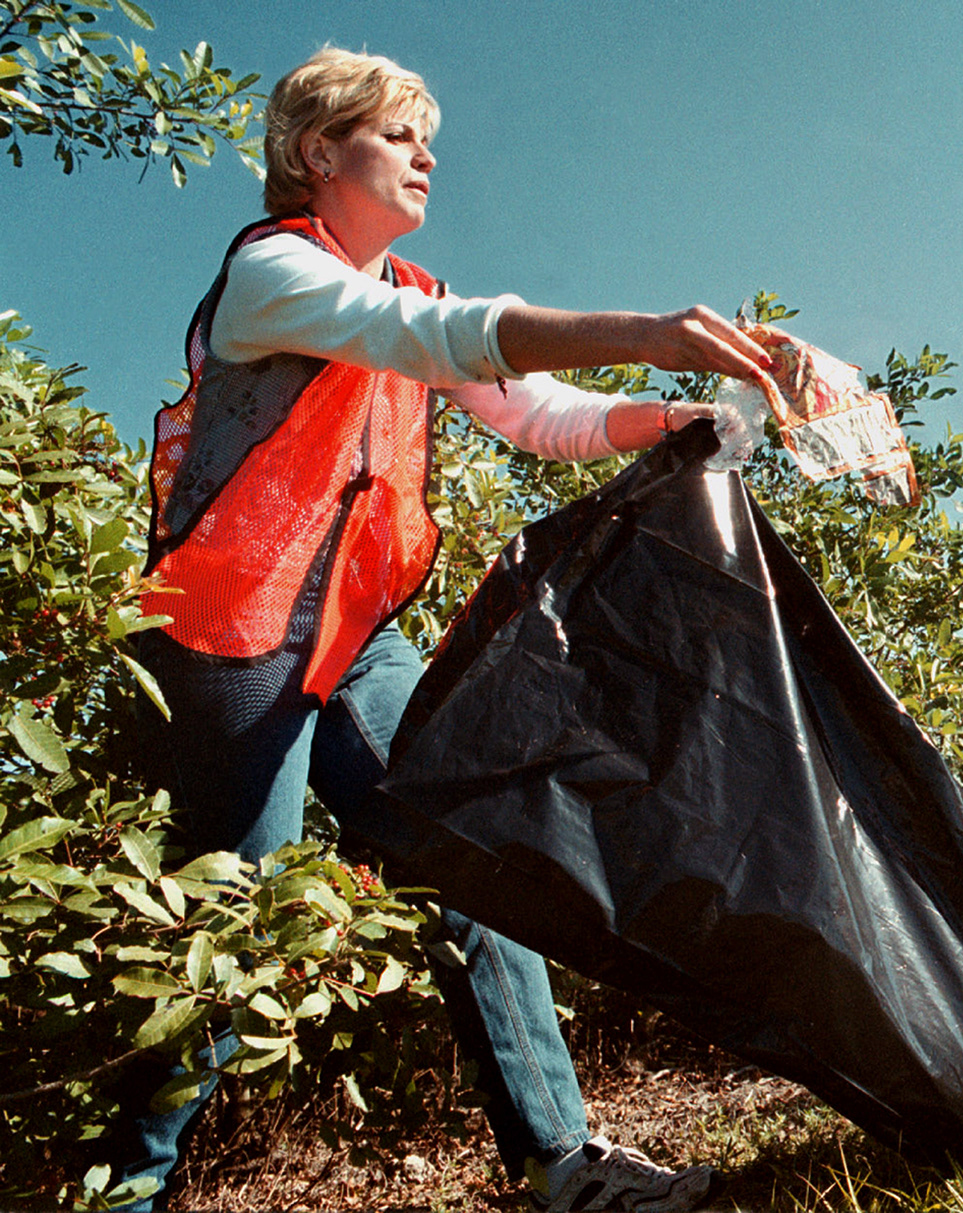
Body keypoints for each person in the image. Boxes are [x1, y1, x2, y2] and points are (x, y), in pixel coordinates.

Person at [109, 47, 767, 1213]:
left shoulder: (408, 291)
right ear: (320, 154)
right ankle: (128, 1189)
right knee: (228, 919)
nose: (425, 158)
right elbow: (452, 339)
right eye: (398, 135)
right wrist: (648, 330)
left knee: (473, 849)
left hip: (354, 632)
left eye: (429, 141)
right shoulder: (272, 273)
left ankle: (565, 1163)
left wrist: (675, 413)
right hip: (236, 635)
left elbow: (537, 413)